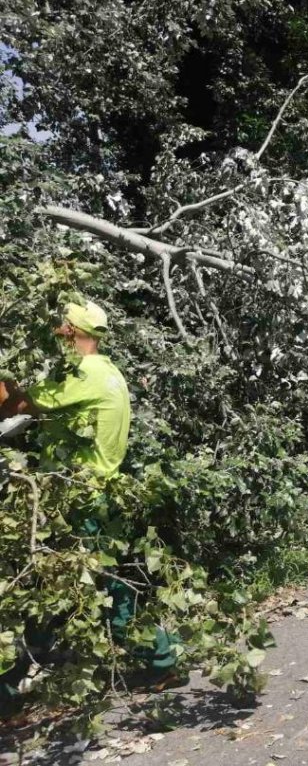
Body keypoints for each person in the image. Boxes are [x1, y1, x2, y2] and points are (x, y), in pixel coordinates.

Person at [0, 301, 180, 708]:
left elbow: (18, 404)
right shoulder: (107, 370)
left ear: (71, 330)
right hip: (100, 493)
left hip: (82, 499)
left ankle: (14, 684)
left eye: (59, 325)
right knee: (102, 585)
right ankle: (162, 659)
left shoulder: (85, 373)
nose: (53, 331)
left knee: (51, 586)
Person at [0, 301, 130, 476]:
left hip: (73, 485)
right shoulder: (111, 371)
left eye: (56, 321)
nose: (52, 327)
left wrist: (4, 370)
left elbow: (12, 407)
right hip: (102, 483)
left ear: (69, 329)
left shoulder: (80, 372)